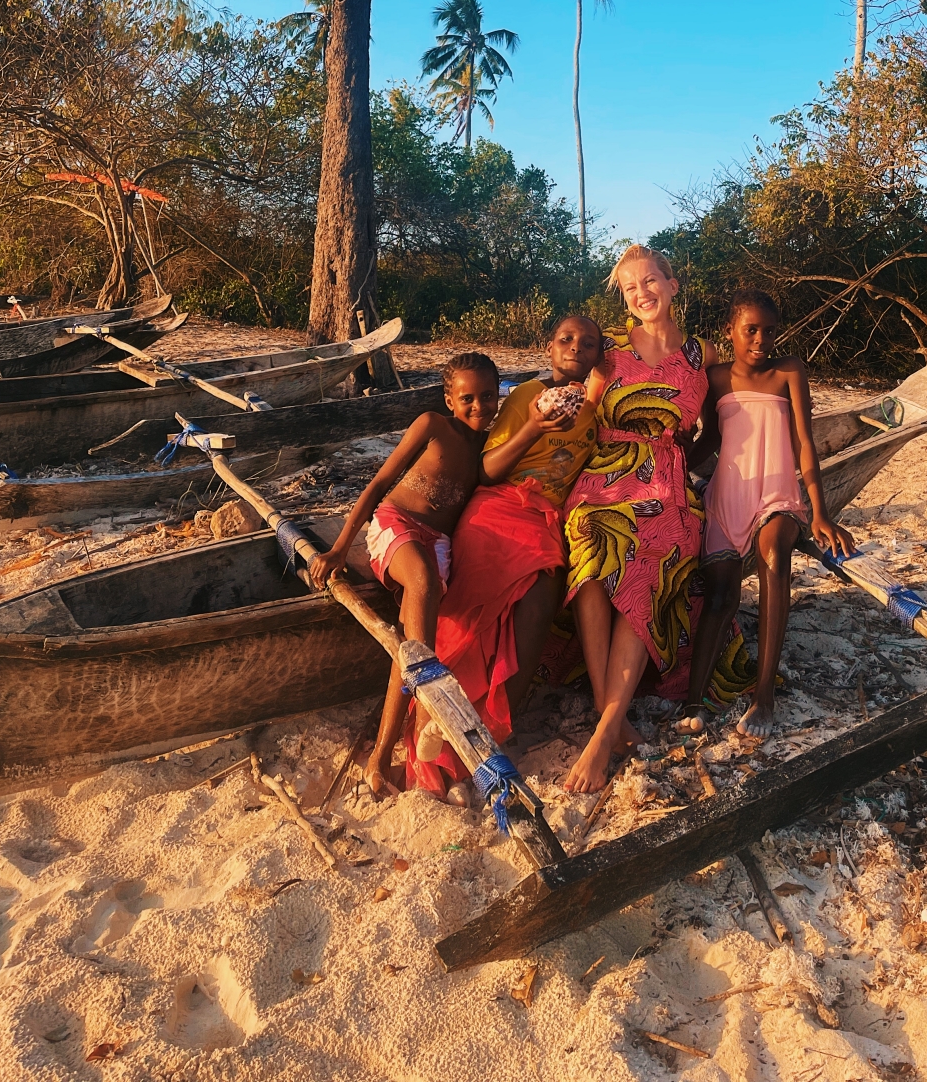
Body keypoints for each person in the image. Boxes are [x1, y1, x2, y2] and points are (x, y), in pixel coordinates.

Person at [558, 245, 749, 795]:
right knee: (590, 539)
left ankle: (604, 733)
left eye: (650, 281)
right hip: (605, 471)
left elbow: (733, 404)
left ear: (672, 283)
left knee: (653, 555)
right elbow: (585, 413)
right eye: (629, 287)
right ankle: (607, 710)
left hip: (666, 478)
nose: (641, 293)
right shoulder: (609, 350)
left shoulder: (700, 354)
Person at [400, 315, 604, 796]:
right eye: (566, 340)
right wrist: (534, 426)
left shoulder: (595, 415)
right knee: (469, 615)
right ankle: (439, 720)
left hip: (545, 521)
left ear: (599, 357)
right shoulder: (523, 398)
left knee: (540, 602)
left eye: (589, 344)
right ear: (549, 347)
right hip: (498, 507)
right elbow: (487, 471)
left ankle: (489, 731)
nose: (577, 348)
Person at [316, 351, 501, 796]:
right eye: (468, 398)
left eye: (489, 396)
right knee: (420, 585)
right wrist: (341, 547)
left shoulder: (489, 448)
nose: (479, 406)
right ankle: (427, 700)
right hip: (396, 524)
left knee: (408, 639)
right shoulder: (432, 425)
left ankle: (380, 759)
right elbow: (380, 484)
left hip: (436, 542)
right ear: (449, 399)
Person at [692, 290, 856, 739]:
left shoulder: (789, 370)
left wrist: (819, 513)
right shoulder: (716, 378)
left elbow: (805, 441)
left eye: (769, 331)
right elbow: (709, 440)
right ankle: (695, 700)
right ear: (730, 332)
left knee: (773, 561)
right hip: (729, 495)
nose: (761, 340)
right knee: (722, 594)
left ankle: (764, 696)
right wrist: (669, 466)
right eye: (751, 330)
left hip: (778, 496)